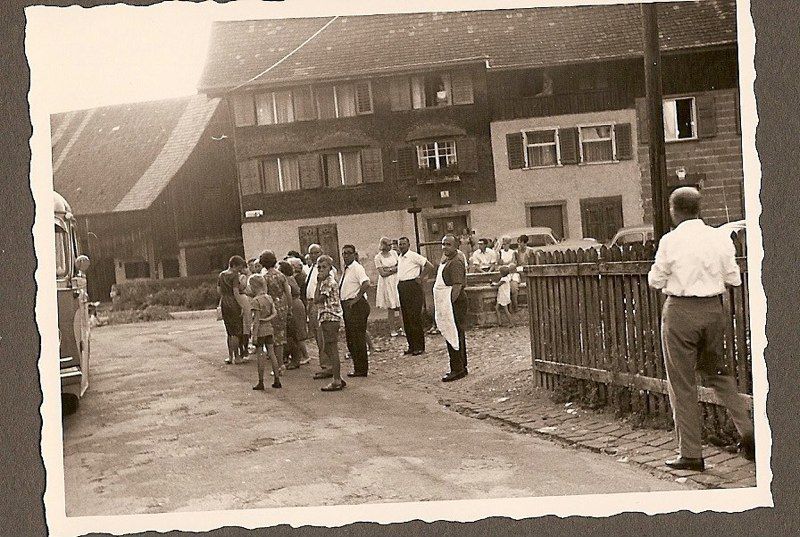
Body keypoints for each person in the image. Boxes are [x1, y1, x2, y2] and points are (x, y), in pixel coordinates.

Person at [648, 187, 755, 471]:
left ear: (674, 211)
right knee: (719, 373)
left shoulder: (670, 240)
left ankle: (691, 454)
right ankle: (748, 432)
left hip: (681, 312)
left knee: (682, 383)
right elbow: (734, 278)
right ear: (699, 209)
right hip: (713, 310)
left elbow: (655, 281)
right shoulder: (718, 238)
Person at [434, 235, 468, 382]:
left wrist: (448, 303)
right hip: (449, 303)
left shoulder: (455, 263)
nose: (445, 247)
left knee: (454, 334)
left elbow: (457, 286)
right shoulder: (447, 260)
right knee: (453, 333)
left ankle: (458, 369)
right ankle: (461, 366)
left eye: (448, 244)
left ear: (456, 246)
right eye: (443, 244)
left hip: (455, 302)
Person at [396, 236, 435, 356]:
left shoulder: (413, 256)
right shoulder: (400, 257)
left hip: (412, 286)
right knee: (406, 317)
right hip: (402, 286)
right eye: (400, 244)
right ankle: (411, 346)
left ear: (408, 245)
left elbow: (429, 266)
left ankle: (419, 346)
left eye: (404, 244)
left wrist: (421, 277)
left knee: (414, 317)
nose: (401, 246)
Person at [304, 244, 337, 379]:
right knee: (317, 336)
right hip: (311, 302)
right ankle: (324, 364)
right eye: (311, 253)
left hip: (322, 305)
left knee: (322, 336)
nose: (313, 255)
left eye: (316, 253)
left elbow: (322, 291)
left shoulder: (328, 271)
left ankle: (328, 366)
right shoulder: (312, 268)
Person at [258, 250, 293, 376]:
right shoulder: (281, 275)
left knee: (273, 337)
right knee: (281, 336)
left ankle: (278, 365)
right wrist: (289, 307)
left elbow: (265, 295)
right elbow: (288, 292)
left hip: (271, 307)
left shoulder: (265, 278)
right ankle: (281, 363)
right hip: (282, 306)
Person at [314, 255, 346, 392]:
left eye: (324, 267)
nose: (321, 270)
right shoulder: (327, 282)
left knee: (332, 349)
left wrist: (318, 284)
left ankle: (337, 379)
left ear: (330, 268)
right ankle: (337, 376)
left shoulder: (327, 282)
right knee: (328, 347)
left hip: (330, 317)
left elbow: (317, 299)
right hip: (327, 317)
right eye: (319, 267)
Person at [339, 244, 371, 377]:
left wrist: (357, 298)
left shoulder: (357, 268)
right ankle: (357, 366)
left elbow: (366, 283)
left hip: (356, 306)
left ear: (354, 254)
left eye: (348, 253)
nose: (346, 256)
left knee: (358, 338)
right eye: (344, 253)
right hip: (347, 306)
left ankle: (361, 369)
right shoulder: (346, 269)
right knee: (351, 339)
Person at [249, 274, 281, 390]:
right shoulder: (269, 298)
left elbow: (256, 320)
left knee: (260, 355)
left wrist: (254, 335)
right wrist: (267, 319)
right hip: (269, 329)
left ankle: (261, 381)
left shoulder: (255, 301)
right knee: (272, 353)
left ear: (253, 287)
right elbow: (274, 313)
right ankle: (277, 379)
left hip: (260, 330)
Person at [279, 260, 309, 369]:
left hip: (293, 305)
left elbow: (289, 293)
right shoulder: (290, 278)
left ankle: (300, 357)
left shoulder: (287, 280)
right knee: (294, 332)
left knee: (295, 333)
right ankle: (298, 356)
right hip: (295, 304)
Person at [217, 255, 247, 365]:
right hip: (233, 302)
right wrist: (242, 306)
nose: (240, 269)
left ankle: (230, 356)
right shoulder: (234, 276)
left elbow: (219, 290)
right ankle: (237, 357)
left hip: (224, 301)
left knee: (229, 331)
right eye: (239, 267)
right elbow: (236, 292)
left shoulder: (221, 275)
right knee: (236, 331)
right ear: (234, 265)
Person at [374, 237, 403, 337]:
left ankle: (403, 328)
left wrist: (389, 269)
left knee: (400, 305)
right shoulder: (378, 257)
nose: (391, 246)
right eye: (388, 245)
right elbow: (382, 273)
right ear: (383, 245)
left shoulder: (394, 253)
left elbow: (400, 266)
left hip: (396, 280)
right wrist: (393, 269)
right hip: (387, 283)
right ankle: (392, 329)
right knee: (391, 307)